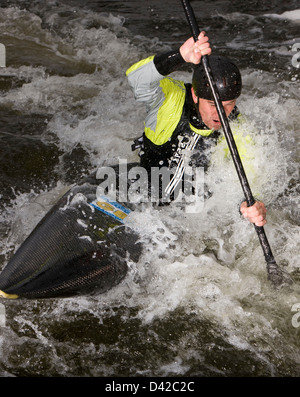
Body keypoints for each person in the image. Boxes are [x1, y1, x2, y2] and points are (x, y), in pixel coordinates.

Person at [126, 31, 267, 227]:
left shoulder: (238, 128)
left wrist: (250, 204)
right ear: (194, 95)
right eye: (212, 103)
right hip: (142, 196)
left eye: (229, 103)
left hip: (190, 217)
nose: (221, 113)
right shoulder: (170, 99)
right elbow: (135, 79)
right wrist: (179, 56)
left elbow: (247, 175)